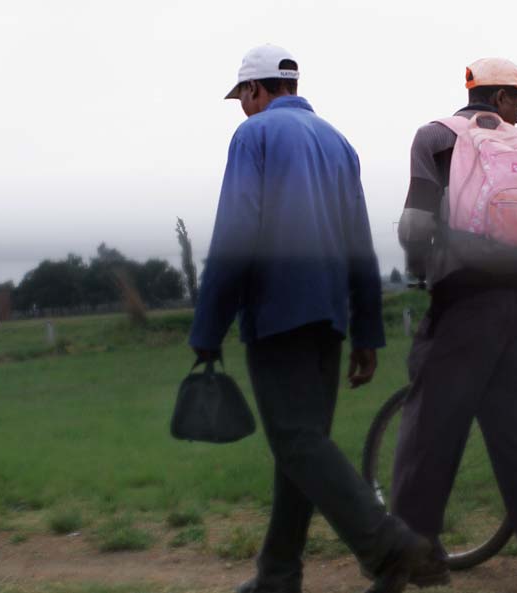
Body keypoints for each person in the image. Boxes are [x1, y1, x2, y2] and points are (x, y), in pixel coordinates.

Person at [189, 44, 429, 593]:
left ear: (255, 90)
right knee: (299, 446)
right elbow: (359, 244)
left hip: (278, 313)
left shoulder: (254, 137)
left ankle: (389, 546)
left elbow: (237, 232)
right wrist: (366, 331)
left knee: (297, 441)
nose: (241, 108)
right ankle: (277, 574)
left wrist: (207, 328)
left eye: (241, 97)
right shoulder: (339, 143)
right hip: (330, 318)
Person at [392, 57, 517, 592]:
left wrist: (416, 273)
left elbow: (417, 221)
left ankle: (415, 554)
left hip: (465, 302)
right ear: (500, 98)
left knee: (430, 428)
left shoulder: (435, 137)